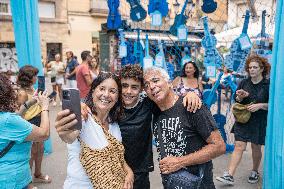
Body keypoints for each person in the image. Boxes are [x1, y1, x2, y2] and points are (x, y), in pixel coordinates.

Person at [143, 66, 226, 189]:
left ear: (169, 82)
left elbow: (219, 146)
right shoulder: (154, 109)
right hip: (172, 184)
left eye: (155, 81)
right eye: (146, 85)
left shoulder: (192, 107)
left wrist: (180, 162)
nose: (151, 86)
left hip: (199, 184)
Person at [55, 72, 134, 189]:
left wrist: (129, 172)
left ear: (117, 98)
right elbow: (69, 137)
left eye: (112, 91)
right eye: (102, 89)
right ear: (93, 91)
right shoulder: (83, 116)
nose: (106, 94)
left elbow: (117, 157)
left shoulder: (114, 124)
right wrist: (65, 131)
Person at [216, 55, 270, 185]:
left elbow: (273, 105)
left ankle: (255, 171)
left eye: (255, 67)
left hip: (259, 120)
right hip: (243, 119)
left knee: (256, 147)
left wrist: (260, 105)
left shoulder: (268, 85)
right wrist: (240, 97)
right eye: (250, 67)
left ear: (262, 69)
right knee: (239, 146)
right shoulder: (244, 82)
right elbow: (237, 98)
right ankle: (229, 175)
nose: (252, 70)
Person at [0, 73, 50, 189]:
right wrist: (45, 107)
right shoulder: (8, 120)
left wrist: (30, 103)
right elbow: (44, 134)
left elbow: (16, 116)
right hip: (11, 179)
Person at [16, 65, 52, 186]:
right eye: (34, 75)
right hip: (28, 122)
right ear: (28, 77)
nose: (37, 78)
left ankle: (38, 174)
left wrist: (44, 102)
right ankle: (28, 180)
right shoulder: (22, 93)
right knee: (30, 153)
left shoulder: (32, 88)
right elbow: (19, 113)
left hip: (38, 119)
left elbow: (37, 105)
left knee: (40, 149)